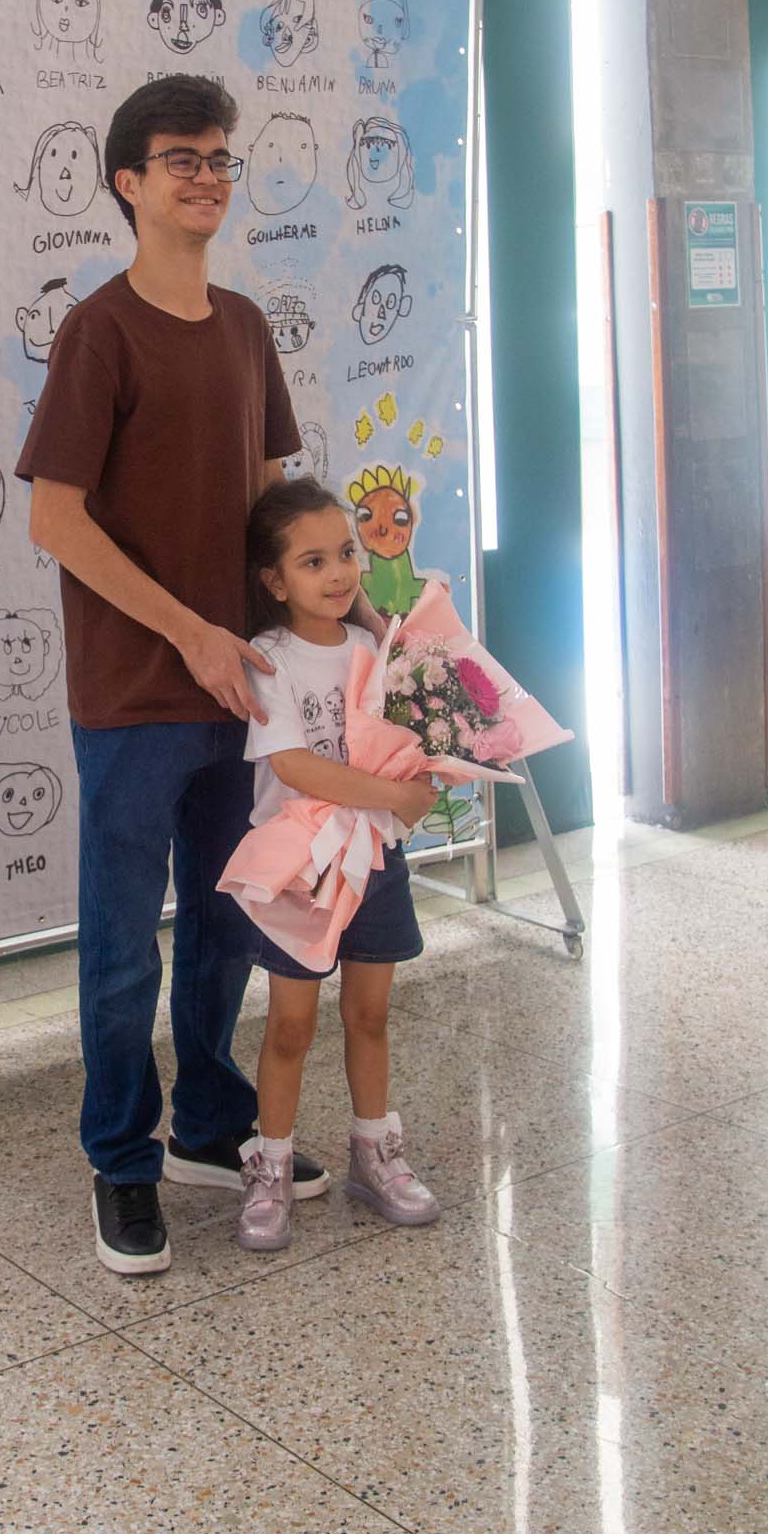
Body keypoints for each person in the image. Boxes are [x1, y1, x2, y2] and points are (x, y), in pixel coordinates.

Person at [18, 73, 338, 1276]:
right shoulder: (99, 331)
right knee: (122, 944)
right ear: (129, 182)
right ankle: (121, 1158)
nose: (207, 177)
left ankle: (207, 1122)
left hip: (242, 688)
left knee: (224, 922)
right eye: (182, 159)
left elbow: (269, 506)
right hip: (134, 694)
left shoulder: (247, 326)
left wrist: (328, 615)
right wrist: (190, 632)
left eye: (219, 158)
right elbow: (56, 519)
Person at [234, 476, 443, 1252]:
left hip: (375, 860)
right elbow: (293, 765)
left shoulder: (372, 649)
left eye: (346, 554)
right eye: (313, 561)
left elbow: (409, 741)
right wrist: (394, 793)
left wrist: (433, 773)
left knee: (370, 1014)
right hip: (304, 870)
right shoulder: (268, 658)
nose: (338, 573)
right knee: (291, 1024)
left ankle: (374, 1152)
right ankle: (271, 1167)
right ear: (273, 580)